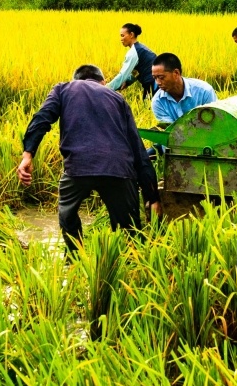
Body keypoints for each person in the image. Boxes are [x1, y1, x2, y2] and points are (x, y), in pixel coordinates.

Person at [16, 64, 160, 251]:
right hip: (119, 168)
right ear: (103, 82)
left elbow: (42, 118)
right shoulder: (117, 98)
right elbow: (138, 150)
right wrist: (152, 197)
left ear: (75, 79)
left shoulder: (63, 89)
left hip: (79, 167)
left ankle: (76, 258)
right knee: (129, 230)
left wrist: (28, 154)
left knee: (67, 214)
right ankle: (132, 264)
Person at [150, 52, 218, 125]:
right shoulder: (158, 102)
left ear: (176, 73)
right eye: (155, 78)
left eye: (161, 77)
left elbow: (215, 122)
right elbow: (170, 131)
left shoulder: (204, 91)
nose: (158, 82)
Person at [107, 22, 157, 97]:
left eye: (122, 36)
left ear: (131, 35)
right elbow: (135, 72)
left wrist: (106, 88)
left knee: (149, 106)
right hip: (158, 83)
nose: (121, 39)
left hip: (153, 84)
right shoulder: (141, 47)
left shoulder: (133, 52)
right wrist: (127, 82)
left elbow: (123, 75)